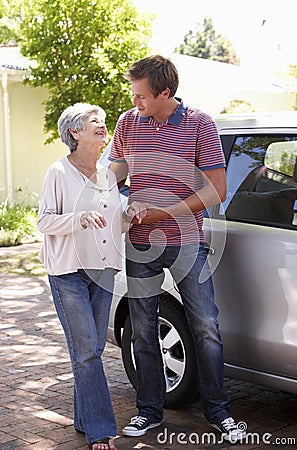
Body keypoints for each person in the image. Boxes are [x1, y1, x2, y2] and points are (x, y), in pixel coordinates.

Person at [108, 55, 246, 443]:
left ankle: (219, 413)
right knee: (144, 329)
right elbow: (116, 172)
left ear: (165, 92)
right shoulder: (128, 122)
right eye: (133, 95)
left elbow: (216, 189)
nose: (135, 103)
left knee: (206, 327)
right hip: (139, 244)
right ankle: (149, 411)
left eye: (141, 97)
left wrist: (161, 214)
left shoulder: (199, 124)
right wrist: (91, 178)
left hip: (187, 242)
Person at [37, 102, 143, 450]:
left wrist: (130, 213)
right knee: (86, 351)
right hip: (68, 272)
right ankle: (100, 430)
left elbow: (113, 221)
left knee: (93, 348)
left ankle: (84, 418)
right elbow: (44, 221)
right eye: (92, 121)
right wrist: (77, 218)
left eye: (102, 120)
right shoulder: (58, 171)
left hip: (102, 269)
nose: (102, 124)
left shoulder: (108, 175)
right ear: (74, 133)